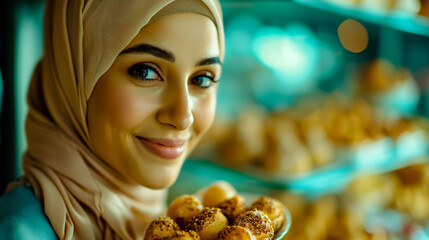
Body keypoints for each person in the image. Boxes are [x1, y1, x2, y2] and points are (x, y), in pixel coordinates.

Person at [0, 0, 225, 239]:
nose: (183, 118)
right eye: (145, 71)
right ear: (73, 76)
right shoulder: (18, 232)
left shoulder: (175, 221)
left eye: (202, 79)